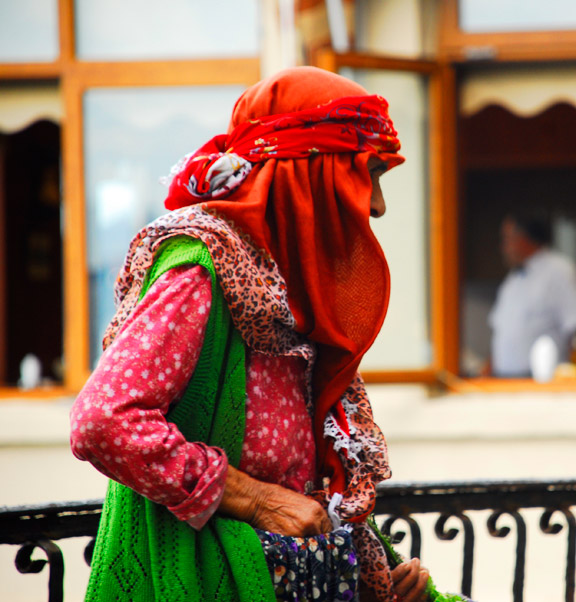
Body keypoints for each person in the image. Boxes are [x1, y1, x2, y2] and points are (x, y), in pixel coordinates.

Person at [70, 67, 431, 602]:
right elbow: (103, 422)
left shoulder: (290, 283)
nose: (376, 204)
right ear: (307, 174)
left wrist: (380, 575)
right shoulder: (202, 269)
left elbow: (302, 490)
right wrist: (256, 500)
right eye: (367, 173)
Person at [488, 214, 576, 378]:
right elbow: (503, 332)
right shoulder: (513, 279)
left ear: (524, 238)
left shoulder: (558, 271)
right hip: (503, 380)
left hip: (540, 381)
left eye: (507, 238)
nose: (503, 247)